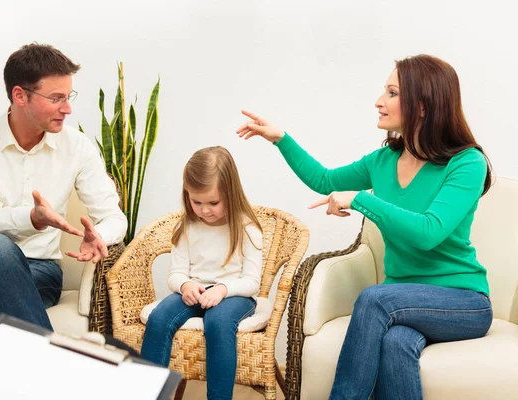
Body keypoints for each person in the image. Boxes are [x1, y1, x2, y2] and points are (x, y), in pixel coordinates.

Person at [237, 54, 493, 400]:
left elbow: (429, 232)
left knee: (374, 300)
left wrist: (360, 199)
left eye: (391, 93)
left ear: (422, 105)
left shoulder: (466, 163)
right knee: (395, 344)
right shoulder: (383, 160)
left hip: (462, 303)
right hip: (402, 299)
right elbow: (324, 179)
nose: (378, 101)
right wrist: (281, 138)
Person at [0, 44, 127, 336]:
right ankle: (59, 366)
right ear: (19, 95)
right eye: (56, 98)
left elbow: (115, 217)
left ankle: (28, 378)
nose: (68, 108)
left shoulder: (77, 147)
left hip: (39, 270)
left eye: (68, 97)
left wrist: (98, 235)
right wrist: (33, 219)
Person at [140, 146, 263, 400]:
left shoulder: (247, 228)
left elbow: (252, 283)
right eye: (197, 202)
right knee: (159, 317)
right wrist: (185, 285)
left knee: (217, 322)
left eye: (213, 203)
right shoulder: (185, 226)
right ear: (187, 195)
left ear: (230, 193)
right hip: (195, 291)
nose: (205, 210)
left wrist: (222, 290)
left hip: (233, 295)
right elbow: (175, 274)